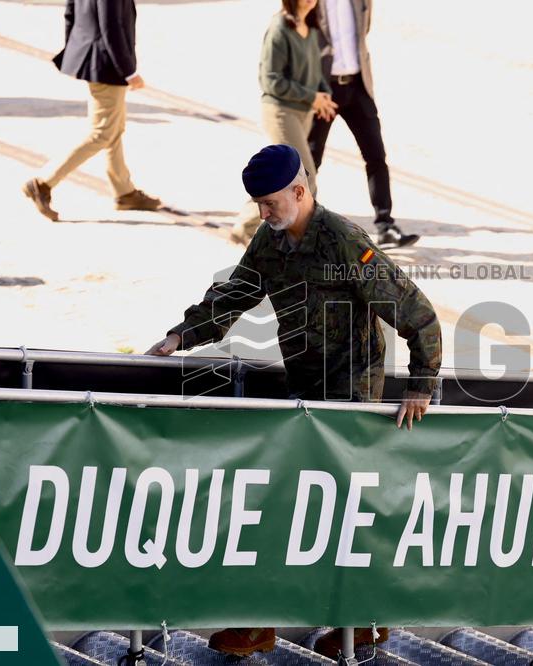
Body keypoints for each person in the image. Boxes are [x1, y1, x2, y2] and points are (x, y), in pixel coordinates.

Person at [145, 145, 441, 656]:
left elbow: (416, 311)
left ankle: (361, 626)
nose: (262, 213)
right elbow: (233, 295)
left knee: (340, 514)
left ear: (299, 192)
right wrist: (181, 335)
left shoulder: (344, 242)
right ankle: (265, 623)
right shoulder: (269, 242)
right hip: (304, 389)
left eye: (269, 203)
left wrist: (421, 383)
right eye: (257, 204)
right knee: (287, 506)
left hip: (351, 397)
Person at [23, 0, 161, 222]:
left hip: (94, 56)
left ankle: (124, 192)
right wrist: (129, 72)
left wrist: (76, 48)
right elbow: (111, 27)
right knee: (102, 132)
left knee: (114, 128)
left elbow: (70, 12)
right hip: (106, 63)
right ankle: (43, 183)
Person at [307, 0, 418, 248]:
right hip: (324, 89)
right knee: (310, 161)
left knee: (376, 155)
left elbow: (362, 32)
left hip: (358, 86)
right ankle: (302, 228)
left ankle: (386, 225)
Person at [230, 0, 338, 245]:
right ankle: (304, 239)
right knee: (304, 176)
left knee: (285, 177)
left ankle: (245, 225)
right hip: (281, 111)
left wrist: (323, 94)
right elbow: (270, 80)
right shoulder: (279, 27)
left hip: (303, 113)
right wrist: (312, 96)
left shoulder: (310, 27)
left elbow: (316, 71)